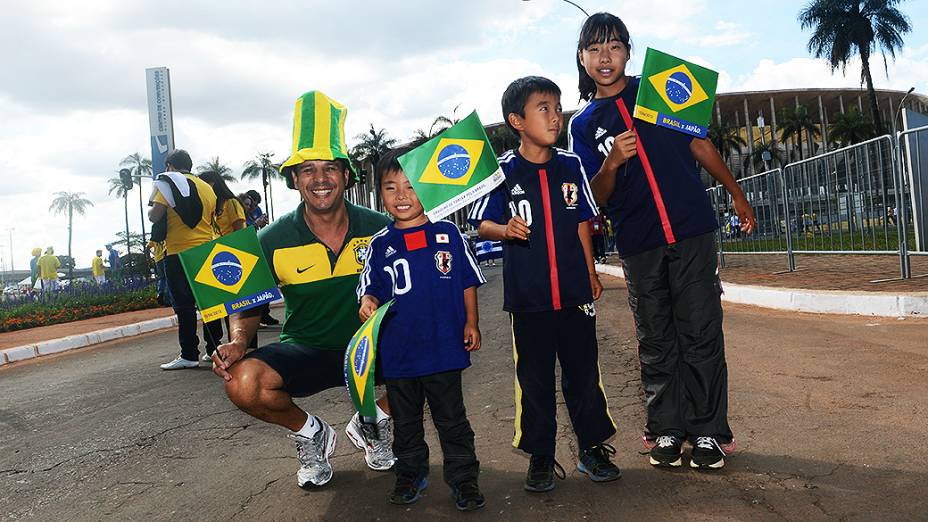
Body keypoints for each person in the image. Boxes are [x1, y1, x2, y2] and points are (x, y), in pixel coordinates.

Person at [568, 13, 756, 470]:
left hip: (691, 230)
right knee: (655, 338)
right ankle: (666, 430)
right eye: (594, 50)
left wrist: (737, 195)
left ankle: (710, 433)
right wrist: (611, 162)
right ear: (582, 59)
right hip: (639, 241)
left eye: (613, 46)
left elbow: (699, 144)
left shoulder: (660, 86)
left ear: (629, 51)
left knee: (701, 331)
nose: (604, 57)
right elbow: (592, 199)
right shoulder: (582, 124)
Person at [211, 90, 395, 489]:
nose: (320, 179)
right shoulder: (270, 238)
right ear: (294, 180)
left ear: (346, 176)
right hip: (305, 348)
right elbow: (245, 301)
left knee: (438, 355)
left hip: (371, 349)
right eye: (308, 170)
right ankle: (311, 433)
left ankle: (373, 423)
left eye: (330, 167)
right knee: (243, 382)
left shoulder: (382, 228)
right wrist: (239, 341)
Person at [469, 76, 620, 492]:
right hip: (529, 299)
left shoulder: (571, 165)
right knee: (533, 380)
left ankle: (592, 449)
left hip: (574, 295)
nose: (555, 116)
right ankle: (540, 456)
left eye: (557, 107)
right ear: (517, 120)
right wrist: (504, 229)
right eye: (544, 108)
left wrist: (590, 274)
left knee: (584, 375)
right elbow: (480, 224)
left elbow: (581, 225)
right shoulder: (501, 173)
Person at [358, 147, 486, 511]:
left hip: (443, 350)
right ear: (379, 193)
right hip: (399, 356)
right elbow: (368, 288)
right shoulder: (379, 245)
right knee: (407, 425)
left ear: (426, 189)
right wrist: (367, 301)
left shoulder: (448, 234)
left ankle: (464, 480)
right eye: (390, 187)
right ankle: (410, 475)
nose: (401, 196)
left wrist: (471, 322)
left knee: (452, 421)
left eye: (411, 186)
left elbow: (467, 282)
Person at [149, 149, 224, 370]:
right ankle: (215, 349)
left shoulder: (168, 184)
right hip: (205, 249)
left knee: (184, 305)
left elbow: (155, 215)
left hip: (178, 251)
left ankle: (189, 353)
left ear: (171, 166)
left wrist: (152, 209)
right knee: (210, 303)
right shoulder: (207, 188)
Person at [198, 170, 249, 359]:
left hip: (230, 259)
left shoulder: (232, 203)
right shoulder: (208, 206)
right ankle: (212, 346)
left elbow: (240, 231)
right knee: (211, 308)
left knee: (233, 308)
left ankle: (235, 344)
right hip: (211, 260)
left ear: (213, 183)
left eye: (204, 184)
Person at [149, 240, 171, 306]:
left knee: (162, 278)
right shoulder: (165, 235)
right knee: (168, 278)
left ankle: (160, 293)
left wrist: (149, 259)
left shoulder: (154, 238)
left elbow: (147, 247)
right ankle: (168, 299)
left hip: (157, 259)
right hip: (165, 257)